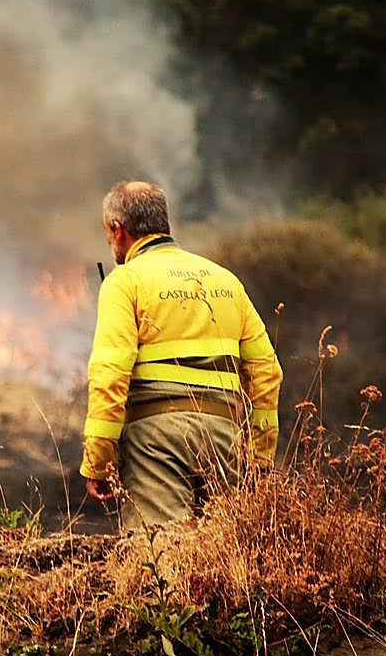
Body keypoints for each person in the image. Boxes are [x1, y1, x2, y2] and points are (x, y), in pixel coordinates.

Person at [82, 181, 283, 528]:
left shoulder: (125, 282)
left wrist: (99, 462)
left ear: (118, 229)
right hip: (224, 440)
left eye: (107, 232)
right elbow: (266, 370)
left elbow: (110, 375)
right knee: (222, 555)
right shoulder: (225, 280)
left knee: (162, 554)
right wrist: (258, 458)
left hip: (154, 443)